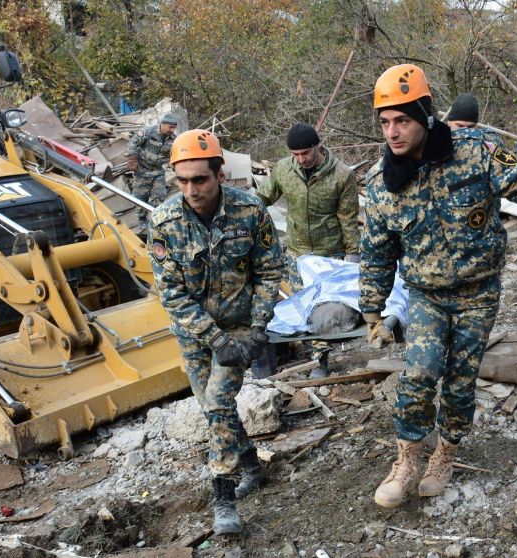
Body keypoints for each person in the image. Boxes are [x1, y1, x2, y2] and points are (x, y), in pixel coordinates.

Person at [360, 64, 517, 509]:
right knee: (419, 373)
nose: (392, 132)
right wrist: (372, 308)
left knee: (460, 379)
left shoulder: (475, 153)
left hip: (477, 293)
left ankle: (445, 454)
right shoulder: (382, 183)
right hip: (427, 295)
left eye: (402, 121)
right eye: (385, 122)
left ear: (425, 116)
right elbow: (377, 250)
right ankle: (407, 459)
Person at [149, 130, 284, 535]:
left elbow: (269, 271)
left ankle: (223, 497)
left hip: (240, 326)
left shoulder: (250, 211)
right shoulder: (164, 222)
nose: (191, 189)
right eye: (182, 181)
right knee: (212, 408)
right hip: (195, 333)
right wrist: (214, 339)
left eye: (200, 180)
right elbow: (170, 293)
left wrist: (257, 328)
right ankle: (251, 465)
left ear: (220, 175)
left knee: (220, 402)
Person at [257, 122, 360, 378]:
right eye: (296, 154)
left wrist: (352, 256)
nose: (301, 159)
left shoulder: (341, 175)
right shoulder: (283, 170)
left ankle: (321, 360)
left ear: (317, 146)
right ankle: (313, 357)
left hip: (329, 254)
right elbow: (261, 199)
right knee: (303, 307)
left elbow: (349, 219)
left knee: (321, 308)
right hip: (297, 252)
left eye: (306, 153)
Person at [128, 113, 178, 232]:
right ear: (163, 124)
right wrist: (132, 158)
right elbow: (133, 143)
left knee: (160, 195)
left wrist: (176, 166)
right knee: (140, 197)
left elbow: (175, 154)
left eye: (174, 128)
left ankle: (157, 219)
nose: (172, 130)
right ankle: (142, 218)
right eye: (170, 127)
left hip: (158, 171)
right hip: (142, 170)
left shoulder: (174, 139)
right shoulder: (148, 132)